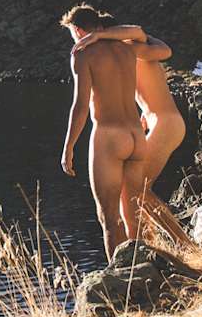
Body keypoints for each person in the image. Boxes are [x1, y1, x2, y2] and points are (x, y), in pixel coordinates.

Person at [70, 18, 192, 246]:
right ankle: (146, 247)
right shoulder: (134, 52)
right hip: (162, 121)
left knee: (138, 193)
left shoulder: (131, 49)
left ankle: (183, 244)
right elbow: (160, 52)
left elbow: (145, 36)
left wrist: (101, 36)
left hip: (166, 124)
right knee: (132, 195)